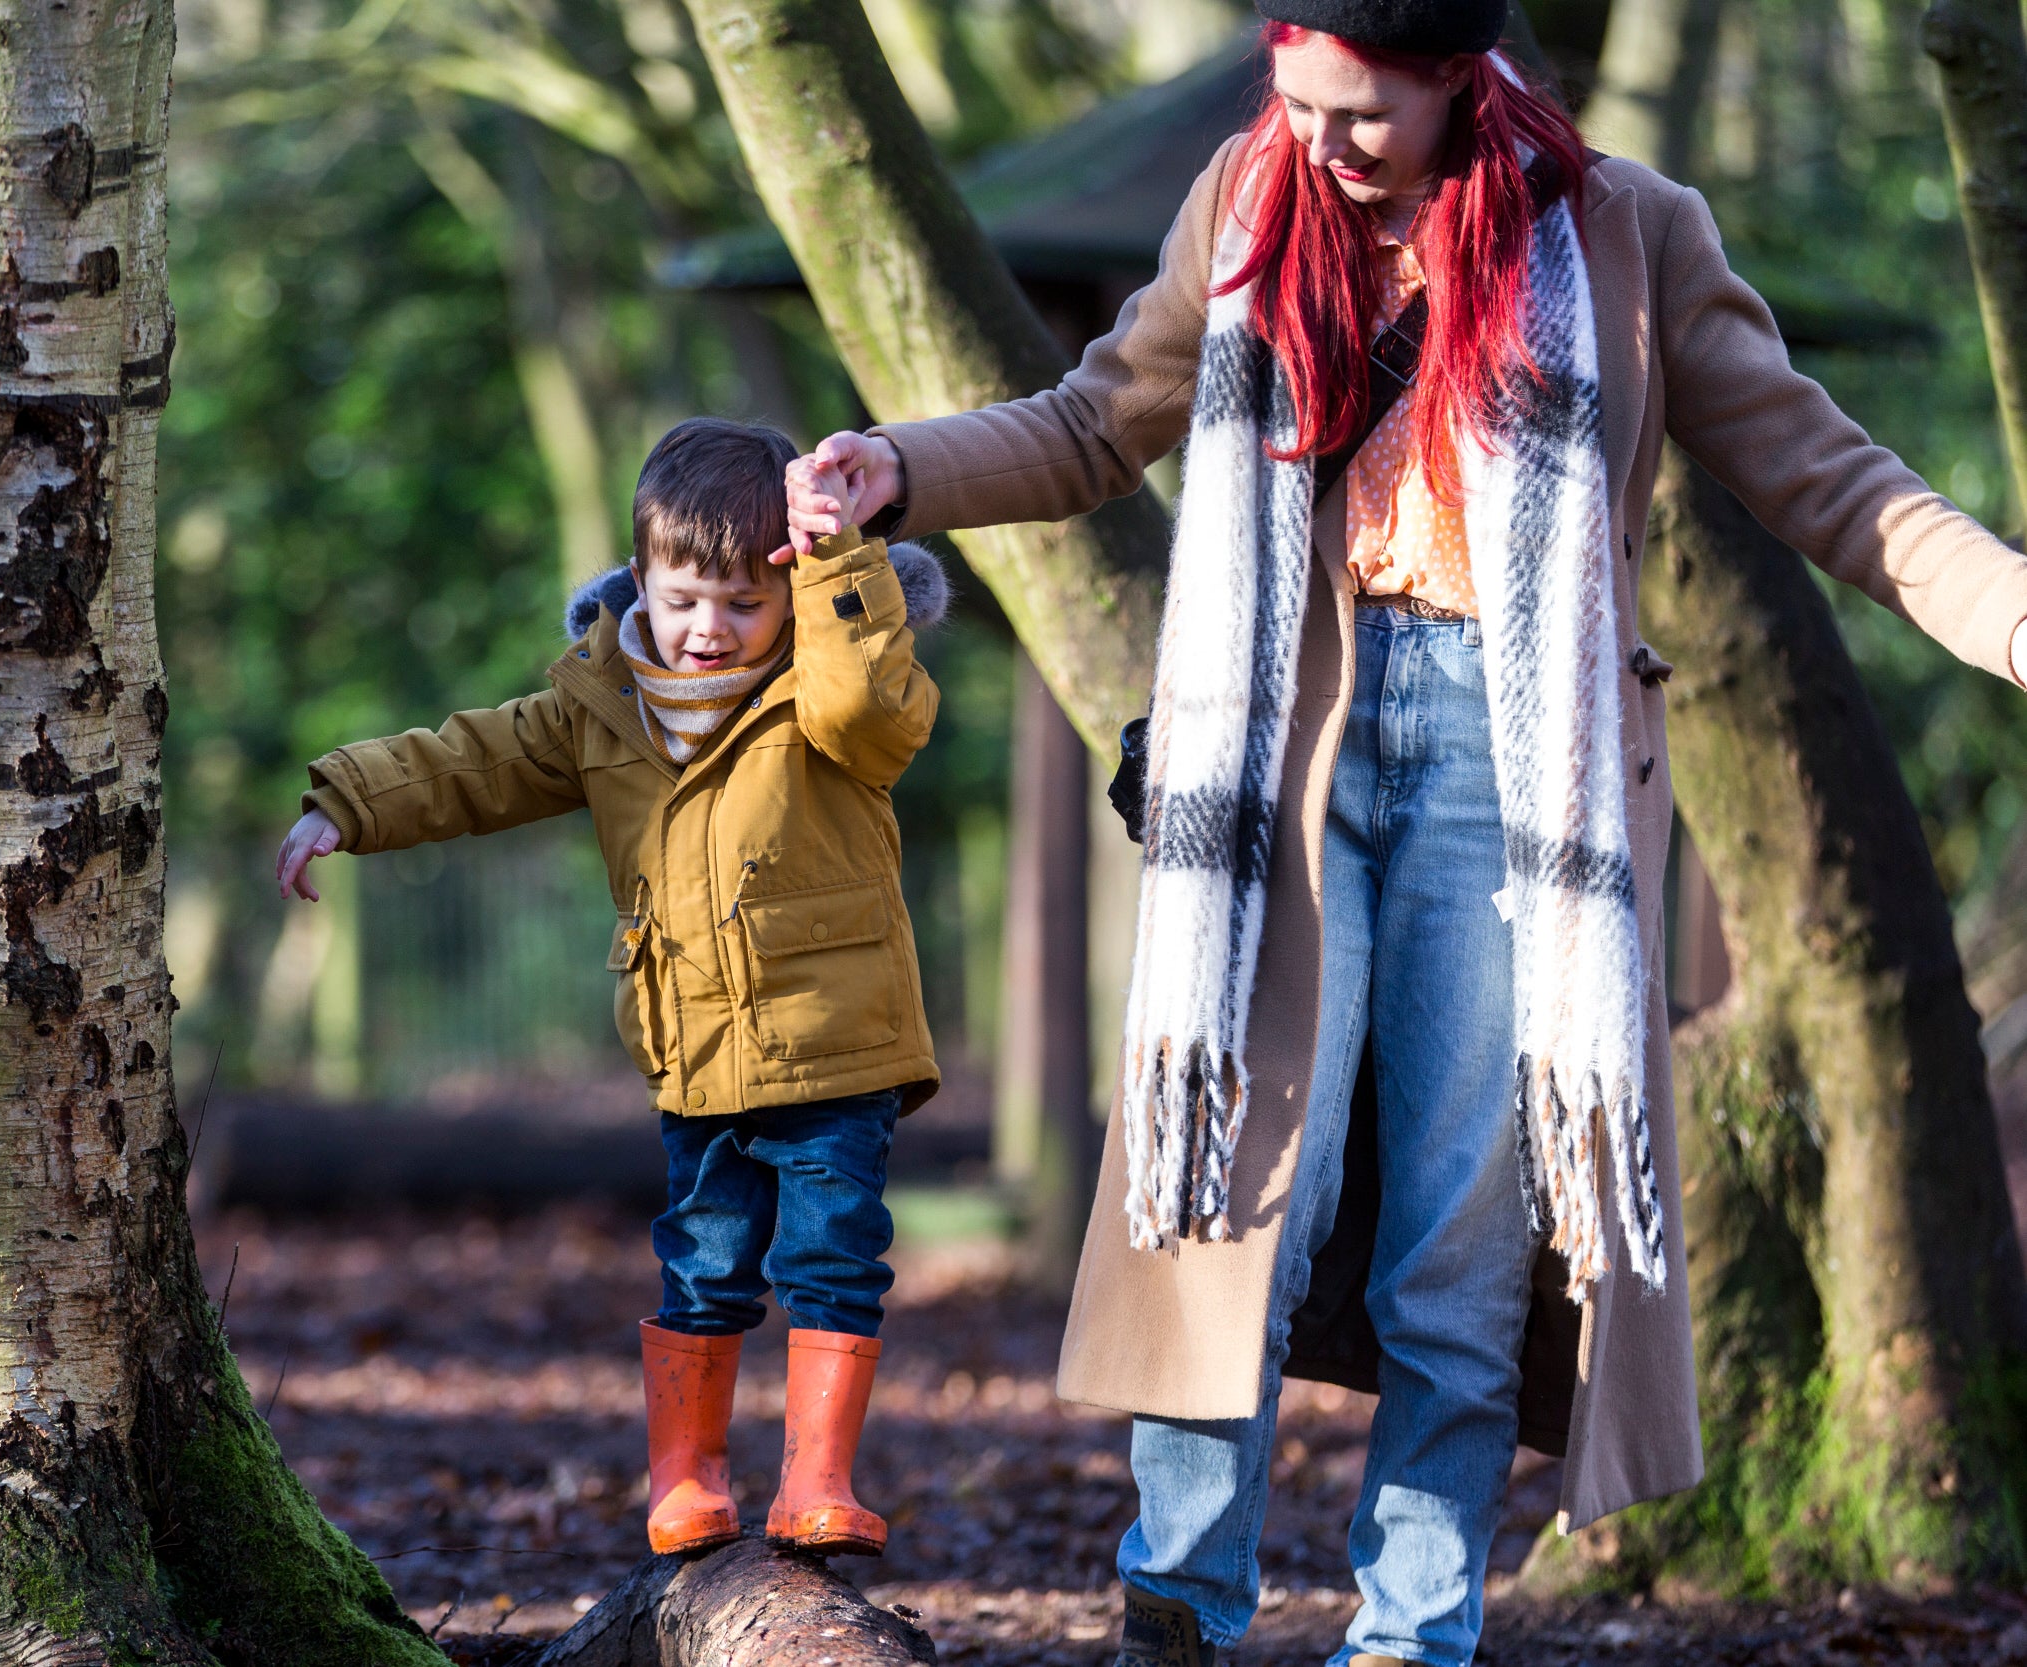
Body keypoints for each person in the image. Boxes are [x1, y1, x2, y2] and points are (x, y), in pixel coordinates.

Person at [784, 2, 2027, 1661]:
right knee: (1234, 1182)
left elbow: (1832, 478)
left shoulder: (1625, 232)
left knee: (1463, 1236)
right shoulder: (1249, 198)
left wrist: (2008, 610)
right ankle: (1183, 1584)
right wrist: (897, 467)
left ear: (1460, 84)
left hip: (1524, 774)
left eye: (1362, 115)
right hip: (1283, 747)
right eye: (1298, 104)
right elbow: (1097, 422)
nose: (1324, 143)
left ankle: (1415, 1630)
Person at [278, 417, 950, 1558]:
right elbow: (474, 761)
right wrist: (345, 802)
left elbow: (870, 718)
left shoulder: (830, 677)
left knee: (833, 1254)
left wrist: (840, 559)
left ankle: (818, 1481)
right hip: (693, 1051)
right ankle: (687, 1480)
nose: (708, 628)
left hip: (839, 1047)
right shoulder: (602, 705)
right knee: (703, 1260)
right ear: (641, 578)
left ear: (788, 590)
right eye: (685, 598)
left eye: (743, 603)